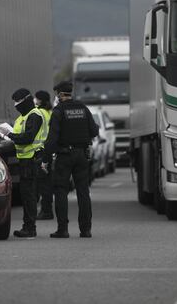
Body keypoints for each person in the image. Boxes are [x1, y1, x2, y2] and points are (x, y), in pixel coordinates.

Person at [42, 80, 99, 238]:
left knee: (61, 191)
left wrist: (45, 160)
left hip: (64, 156)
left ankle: (63, 229)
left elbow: (52, 139)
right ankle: (86, 230)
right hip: (81, 155)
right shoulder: (83, 108)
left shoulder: (58, 111)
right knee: (83, 192)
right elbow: (94, 131)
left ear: (60, 94)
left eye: (56, 94)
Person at [0, 88, 46, 238]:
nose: (16, 105)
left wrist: (10, 135)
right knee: (26, 195)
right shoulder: (23, 117)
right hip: (25, 159)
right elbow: (19, 139)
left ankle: (30, 228)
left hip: (32, 160)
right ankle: (27, 226)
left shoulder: (35, 115)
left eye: (18, 102)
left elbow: (28, 138)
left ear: (26, 100)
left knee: (29, 195)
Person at [34, 90, 54, 220]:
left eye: (36, 98)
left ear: (40, 100)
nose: (34, 101)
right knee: (46, 183)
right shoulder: (49, 113)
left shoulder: (39, 113)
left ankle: (46, 211)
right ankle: (47, 210)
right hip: (48, 151)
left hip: (39, 151)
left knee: (41, 184)